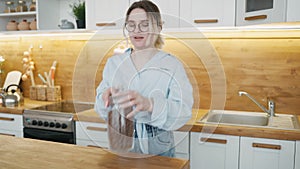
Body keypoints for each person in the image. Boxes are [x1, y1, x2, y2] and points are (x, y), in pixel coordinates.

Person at [94, 0, 193, 157]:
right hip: (121, 141)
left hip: (158, 146)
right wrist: (107, 100)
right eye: (131, 24)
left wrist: (151, 104)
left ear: (159, 27)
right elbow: (99, 106)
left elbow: (184, 112)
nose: (137, 30)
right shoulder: (114, 63)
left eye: (145, 24)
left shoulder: (172, 65)